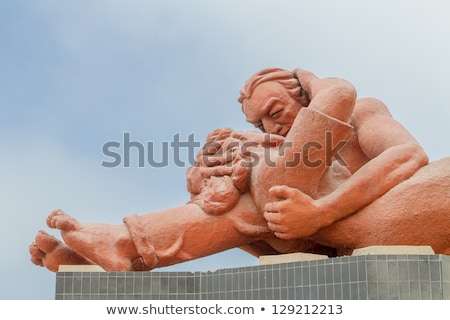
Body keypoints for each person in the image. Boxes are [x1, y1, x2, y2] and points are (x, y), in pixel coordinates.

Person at [30, 68, 450, 272]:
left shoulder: (362, 113)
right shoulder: (290, 158)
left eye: (276, 112)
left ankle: (124, 246)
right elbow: (263, 232)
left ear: (305, 95)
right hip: (337, 240)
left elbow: (408, 156)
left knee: (266, 179)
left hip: (407, 210)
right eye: (260, 124)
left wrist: (323, 213)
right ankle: (122, 251)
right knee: (255, 192)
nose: (272, 127)